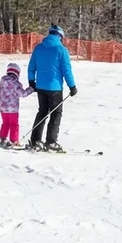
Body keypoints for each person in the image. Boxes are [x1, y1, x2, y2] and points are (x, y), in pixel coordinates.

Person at [26, 24, 77, 152]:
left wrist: (31, 81)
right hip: (54, 88)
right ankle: (51, 142)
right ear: (60, 36)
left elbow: (32, 66)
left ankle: (35, 140)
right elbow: (67, 71)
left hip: (41, 86)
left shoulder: (38, 48)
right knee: (56, 114)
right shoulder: (61, 50)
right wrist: (72, 86)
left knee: (42, 112)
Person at [0, 64, 28, 148]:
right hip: (13, 108)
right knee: (14, 124)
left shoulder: (1, 82)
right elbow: (22, 94)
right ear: (17, 74)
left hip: (3, 107)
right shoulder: (16, 83)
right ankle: (14, 140)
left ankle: (2, 138)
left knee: (5, 123)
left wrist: (0, 103)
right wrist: (31, 89)